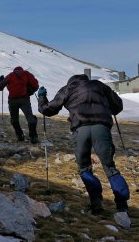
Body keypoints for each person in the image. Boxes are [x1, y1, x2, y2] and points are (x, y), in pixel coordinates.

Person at [37, 74, 130, 215]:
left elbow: (48, 110)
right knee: (109, 167)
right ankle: (122, 205)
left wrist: (42, 98)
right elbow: (117, 106)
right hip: (101, 128)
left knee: (84, 168)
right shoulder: (100, 85)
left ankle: (96, 204)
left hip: (81, 130)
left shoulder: (68, 89)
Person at [0, 66, 39, 144]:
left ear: (15, 70)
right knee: (30, 117)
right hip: (24, 100)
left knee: (14, 119)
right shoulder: (27, 74)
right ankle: (33, 137)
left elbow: (0, 87)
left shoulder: (11, 75)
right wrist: (29, 91)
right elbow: (36, 86)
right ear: (22, 70)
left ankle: (20, 135)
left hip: (12, 100)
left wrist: (1, 80)